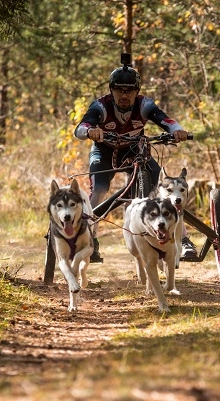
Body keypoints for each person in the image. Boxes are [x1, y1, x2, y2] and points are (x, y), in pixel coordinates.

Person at [73, 55, 197, 262]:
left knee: (165, 190)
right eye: (119, 90)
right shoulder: (100, 106)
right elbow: (80, 127)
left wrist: (177, 131)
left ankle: (183, 240)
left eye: (129, 90)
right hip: (104, 154)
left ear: (136, 91)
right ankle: (90, 239)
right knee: (100, 190)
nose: (124, 95)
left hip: (136, 152)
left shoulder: (144, 105)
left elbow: (164, 120)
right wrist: (90, 131)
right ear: (111, 90)